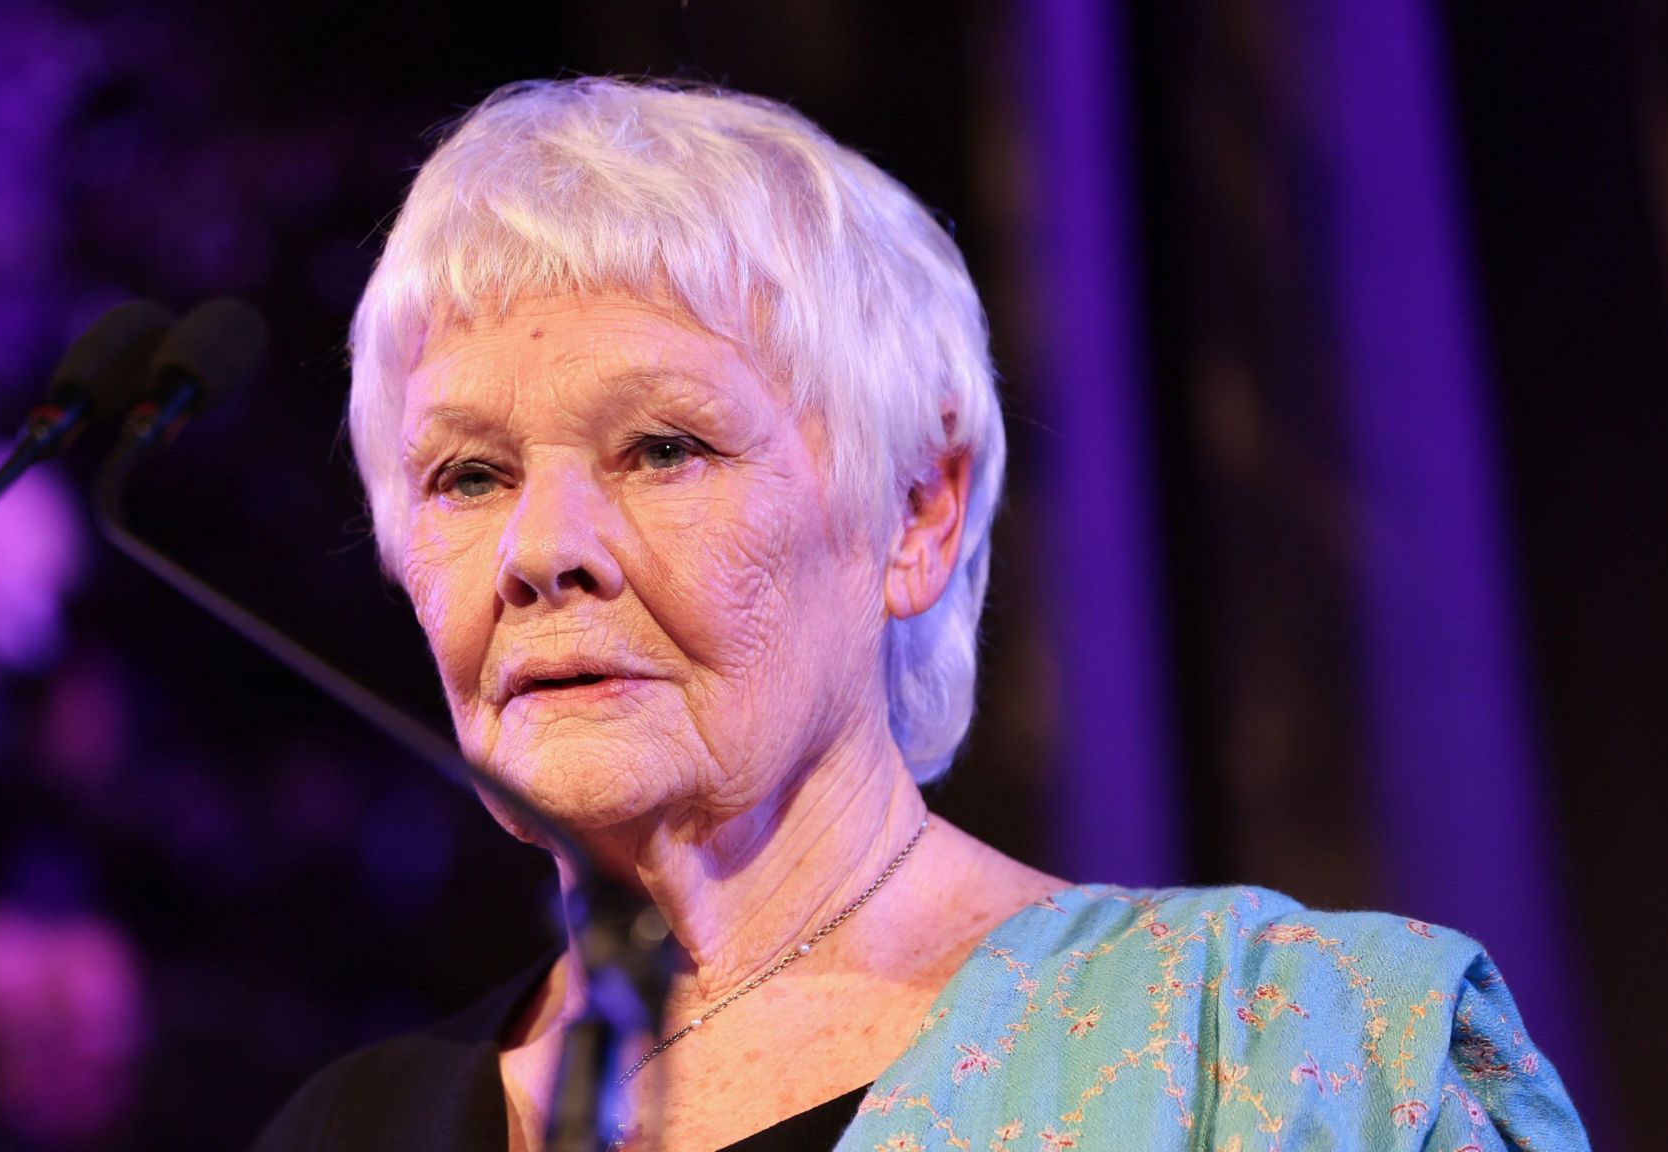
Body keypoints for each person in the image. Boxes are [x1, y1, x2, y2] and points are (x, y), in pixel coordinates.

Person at [253, 78, 1589, 1151]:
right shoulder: (349, 1127)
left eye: (662, 448)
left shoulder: (1278, 1054)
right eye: (468, 476)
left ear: (918, 514)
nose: (543, 554)